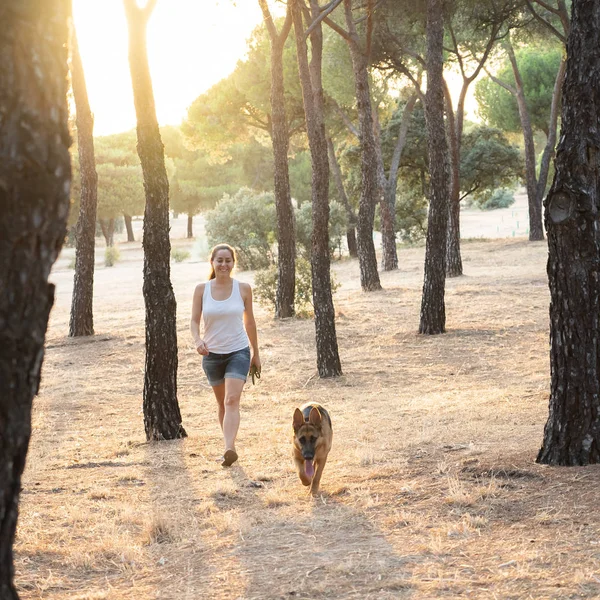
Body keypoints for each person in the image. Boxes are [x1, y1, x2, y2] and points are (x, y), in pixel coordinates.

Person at [190, 243, 261, 467]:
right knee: (222, 403)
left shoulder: (243, 288)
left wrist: (255, 352)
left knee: (232, 400)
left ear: (233, 263)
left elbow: (249, 321)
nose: (223, 264)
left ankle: (229, 449)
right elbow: (193, 321)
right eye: (219, 260)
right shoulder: (202, 290)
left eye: (228, 260)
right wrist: (197, 341)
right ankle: (228, 445)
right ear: (212, 262)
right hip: (211, 355)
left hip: (238, 351)